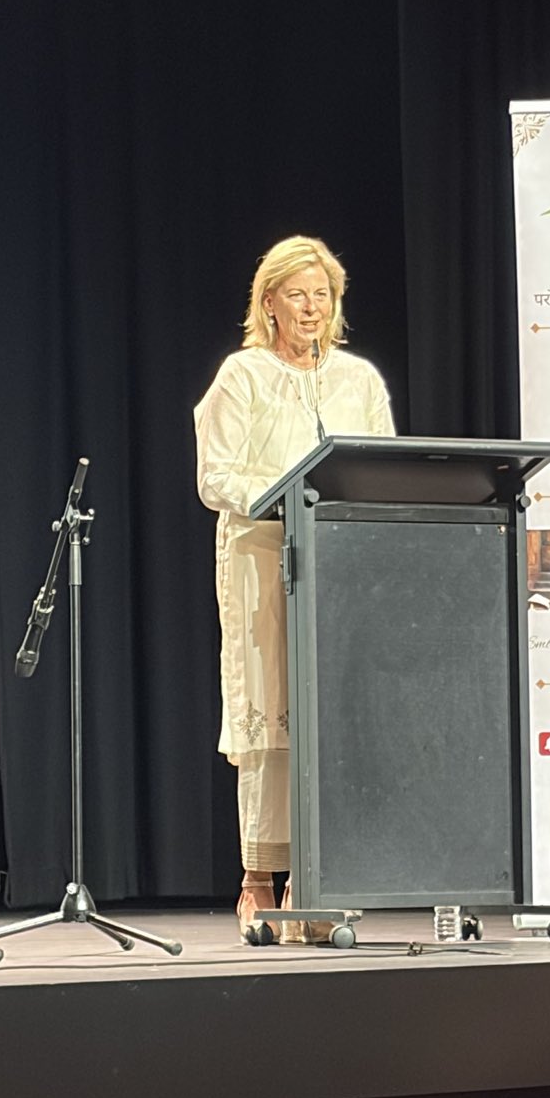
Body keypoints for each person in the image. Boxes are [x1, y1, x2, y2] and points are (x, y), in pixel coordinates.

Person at [195, 236, 394, 942]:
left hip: (340, 566)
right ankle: (258, 879)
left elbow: (382, 465)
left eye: (322, 295)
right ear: (269, 303)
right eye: (297, 295)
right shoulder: (242, 374)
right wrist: (287, 497)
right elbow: (215, 476)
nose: (311, 308)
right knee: (270, 715)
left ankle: (315, 883)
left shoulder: (359, 379)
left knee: (333, 719)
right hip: (261, 560)